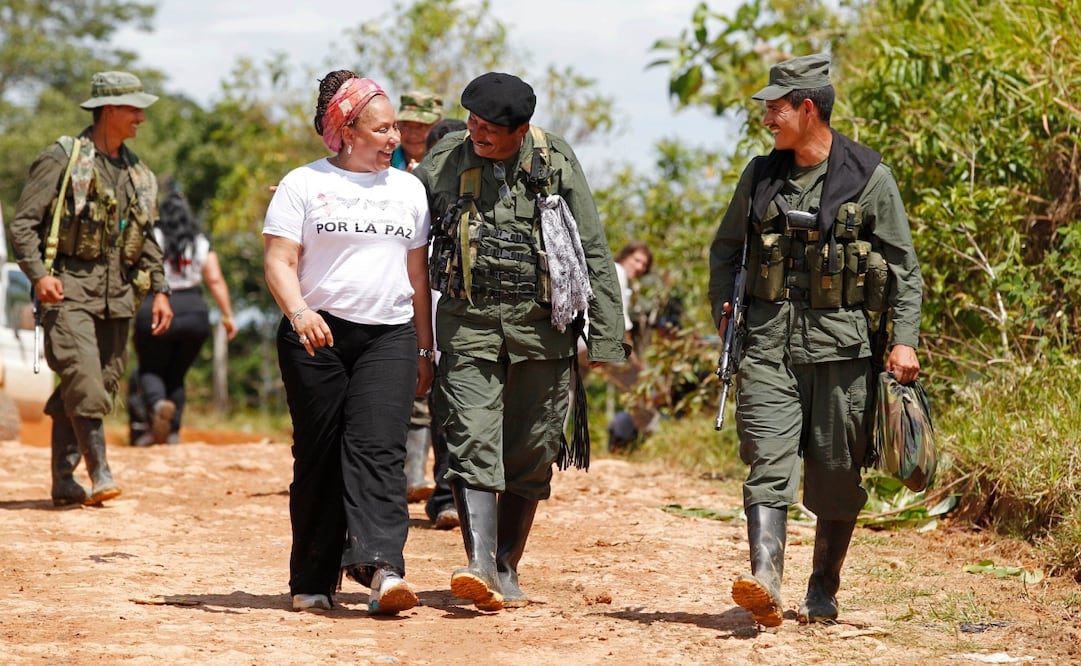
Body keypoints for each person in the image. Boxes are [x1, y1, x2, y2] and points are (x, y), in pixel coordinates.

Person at [708, 53, 923, 627]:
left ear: (808, 109)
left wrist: (904, 340)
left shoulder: (868, 176)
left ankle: (822, 588)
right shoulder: (759, 175)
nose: (766, 120)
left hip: (843, 351)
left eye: (775, 109)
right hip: (767, 345)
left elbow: (903, 267)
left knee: (835, 474)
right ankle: (766, 580)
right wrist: (724, 317)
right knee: (767, 460)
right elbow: (726, 250)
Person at [413, 72, 626, 612]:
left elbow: (593, 248)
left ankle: (506, 564)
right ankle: (478, 562)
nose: (475, 132)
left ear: (521, 128)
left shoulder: (556, 161)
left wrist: (606, 336)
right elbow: (404, 230)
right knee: (472, 438)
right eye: (472, 122)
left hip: (543, 331)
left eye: (488, 127)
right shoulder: (446, 162)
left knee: (531, 452)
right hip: (470, 325)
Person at [263, 70, 433, 615]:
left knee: (381, 448)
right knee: (320, 452)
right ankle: (313, 576)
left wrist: (426, 348)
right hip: (317, 337)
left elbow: (418, 277)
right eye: (381, 129)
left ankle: (383, 569)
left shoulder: (408, 189)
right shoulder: (303, 184)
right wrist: (300, 311)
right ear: (347, 129)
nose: (393, 139)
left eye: (393, 131)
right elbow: (279, 261)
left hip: (389, 334)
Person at [10, 71, 173, 508]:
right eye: (133, 108)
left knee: (95, 382)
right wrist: (39, 275)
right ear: (108, 110)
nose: (141, 116)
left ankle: (64, 480)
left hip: (119, 297)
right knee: (84, 379)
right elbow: (23, 224)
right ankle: (100, 474)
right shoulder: (62, 159)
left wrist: (161, 289)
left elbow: (148, 238)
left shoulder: (138, 173)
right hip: (67, 292)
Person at [128, 183, 238, 446]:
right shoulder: (199, 241)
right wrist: (227, 315)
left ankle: (156, 406)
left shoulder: (152, 235)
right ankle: (173, 431)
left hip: (155, 306)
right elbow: (215, 279)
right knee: (177, 374)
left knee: (150, 368)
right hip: (194, 313)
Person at [391, 91, 445, 505]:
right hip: (396, 282)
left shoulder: (451, 161)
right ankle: (411, 475)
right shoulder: (381, 156)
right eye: (406, 124)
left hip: (440, 285)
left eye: (421, 126)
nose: (412, 132)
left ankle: (443, 487)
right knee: (410, 382)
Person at [420, 117, 468, 530]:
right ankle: (443, 494)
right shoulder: (411, 192)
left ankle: (454, 494)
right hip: (428, 324)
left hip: (463, 323)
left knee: (454, 412)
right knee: (441, 411)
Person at [604, 241, 652, 451]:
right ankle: (650, 441)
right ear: (625, 256)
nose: (640, 267)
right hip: (603, 343)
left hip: (578, 341)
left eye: (644, 264)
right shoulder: (618, 271)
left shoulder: (605, 269)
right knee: (640, 389)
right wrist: (631, 356)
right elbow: (620, 317)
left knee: (566, 392)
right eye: (637, 260)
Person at [391, 90, 444, 172]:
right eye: (406, 125)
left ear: (438, 126)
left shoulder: (451, 165)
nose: (413, 134)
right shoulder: (380, 164)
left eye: (422, 126)